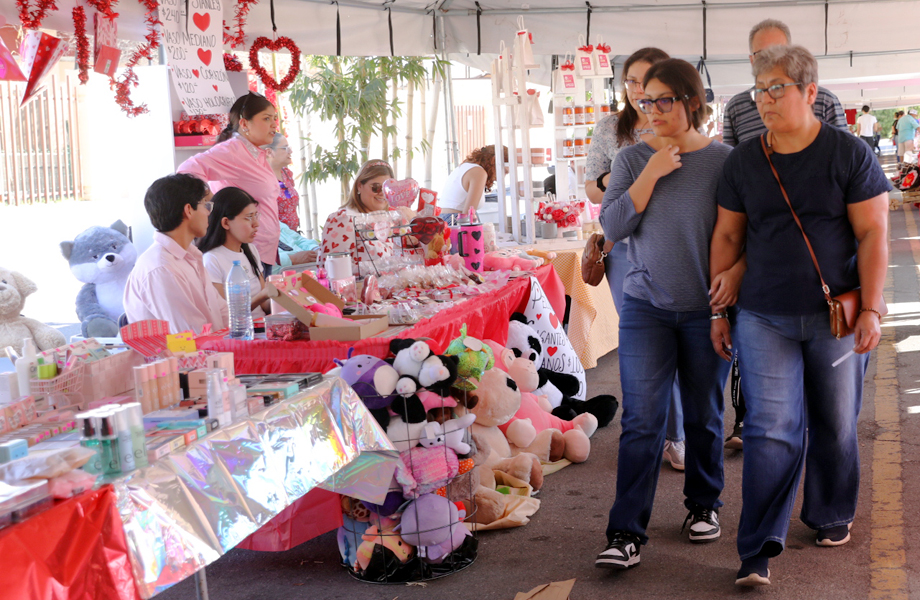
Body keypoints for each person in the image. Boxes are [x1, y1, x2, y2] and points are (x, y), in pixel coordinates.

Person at [710, 45, 890, 587]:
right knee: (772, 430)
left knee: (835, 424)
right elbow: (727, 235)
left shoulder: (849, 154)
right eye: (757, 89)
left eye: (776, 88)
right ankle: (758, 546)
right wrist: (717, 310)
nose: (763, 99)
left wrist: (875, 309)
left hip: (835, 314)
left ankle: (830, 511)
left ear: (810, 92)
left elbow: (873, 232)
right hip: (763, 315)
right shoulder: (743, 160)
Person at [595, 59, 732, 571]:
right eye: (644, 101)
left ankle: (703, 504)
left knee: (704, 415)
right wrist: (650, 173)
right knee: (642, 420)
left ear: (692, 102)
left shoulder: (724, 161)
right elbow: (611, 225)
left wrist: (731, 290)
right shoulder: (632, 160)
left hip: (705, 310)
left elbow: (739, 232)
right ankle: (625, 531)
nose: (650, 110)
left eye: (663, 100)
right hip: (645, 308)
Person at [720, 19, 847, 451]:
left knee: (831, 413)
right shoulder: (740, 107)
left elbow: (842, 189)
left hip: (821, 275)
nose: (767, 66)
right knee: (770, 417)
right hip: (763, 271)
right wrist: (737, 267)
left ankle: (828, 509)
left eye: (776, 54)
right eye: (758, 57)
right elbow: (737, 207)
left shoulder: (825, 101)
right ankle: (744, 423)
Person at [584, 47, 690, 471]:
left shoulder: (681, 125)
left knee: (683, 342)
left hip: (676, 247)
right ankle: (667, 435)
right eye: (629, 81)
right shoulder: (611, 128)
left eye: (645, 82)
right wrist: (624, 176)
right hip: (624, 248)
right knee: (642, 347)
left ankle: (680, 431)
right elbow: (593, 189)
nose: (637, 91)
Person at [178, 92, 281, 277]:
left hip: (262, 251)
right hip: (242, 253)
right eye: (266, 118)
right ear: (244, 123)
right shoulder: (232, 150)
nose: (274, 124)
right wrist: (212, 201)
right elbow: (187, 169)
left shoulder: (257, 153)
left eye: (275, 118)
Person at [123, 174, 228, 334]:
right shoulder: (161, 268)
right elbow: (191, 335)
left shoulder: (191, 256)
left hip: (214, 352)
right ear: (188, 210)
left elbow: (222, 312)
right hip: (187, 357)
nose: (209, 213)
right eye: (206, 205)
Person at [197, 187, 272, 319]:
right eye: (248, 217)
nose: (256, 224)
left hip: (263, 327)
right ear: (226, 222)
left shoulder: (251, 250)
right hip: (241, 334)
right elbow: (225, 316)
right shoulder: (212, 259)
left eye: (256, 215)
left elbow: (265, 306)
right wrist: (263, 295)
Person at [318, 160, 400, 275]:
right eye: (376, 187)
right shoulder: (344, 219)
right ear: (359, 186)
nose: (382, 193)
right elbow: (329, 270)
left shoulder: (386, 219)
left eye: (388, 188)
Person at [440, 145, 507, 215]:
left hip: (446, 219)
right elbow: (468, 215)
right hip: (455, 220)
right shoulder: (479, 172)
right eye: (505, 171)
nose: (503, 176)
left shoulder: (466, 167)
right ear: (494, 160)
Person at [264, 133, 301, 232]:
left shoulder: (287, 173)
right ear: (269, 152)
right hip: (276, 238)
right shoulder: (262, 178)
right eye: (285, 148)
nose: (290, 151)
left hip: (294, 236)